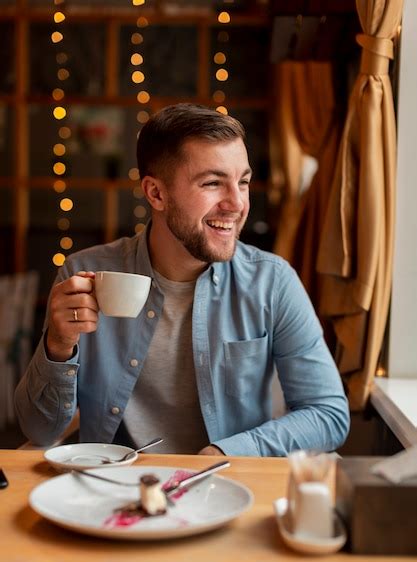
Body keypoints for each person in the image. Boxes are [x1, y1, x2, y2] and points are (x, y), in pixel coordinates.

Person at [15, 103, 349, 456]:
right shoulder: (84, 274)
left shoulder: (272, 281)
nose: (237, 203)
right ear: (156, 193)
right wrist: (58, 346)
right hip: (113, 489)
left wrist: (229, 451)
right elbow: (38, 429)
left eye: (244, 182)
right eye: (212, 183)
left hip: (226, 487)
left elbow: (328, 414)